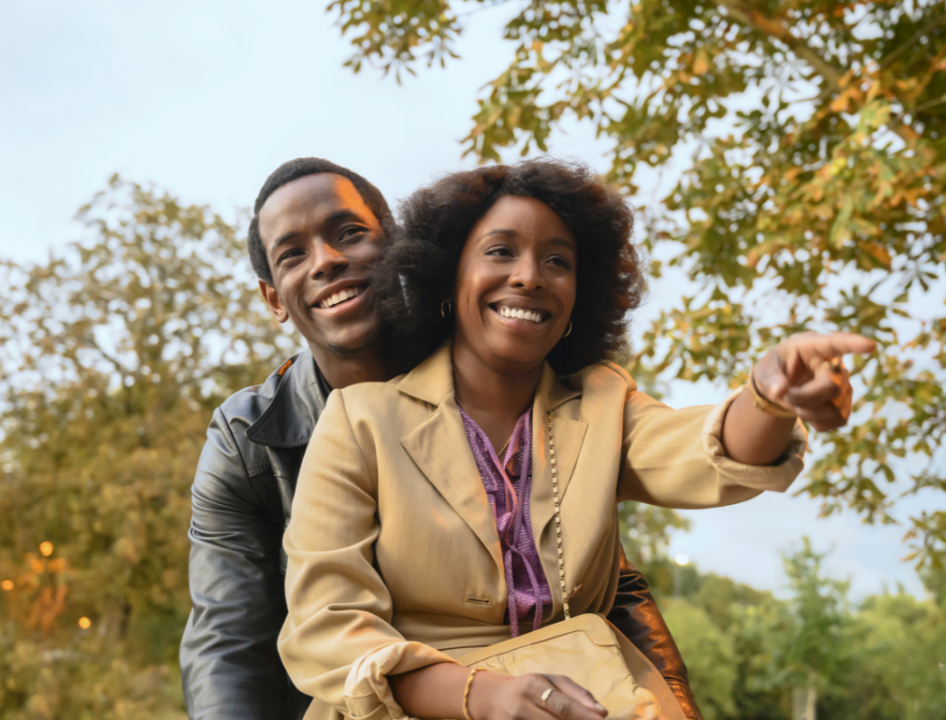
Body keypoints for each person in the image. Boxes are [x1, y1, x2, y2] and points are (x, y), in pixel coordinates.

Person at [277, 158, 876, 720]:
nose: (529, 276)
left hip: (593, 695)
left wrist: (769, 397)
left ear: (575, 305)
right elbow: (328, 627)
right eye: (500, 252)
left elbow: (701, 453)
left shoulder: (603, 401)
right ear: (446, 278)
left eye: (556, 262)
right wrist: (481, 697)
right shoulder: (360, 420)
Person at [179, 158, 704, 720]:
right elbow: (228, 638)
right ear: (273, 298)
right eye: (292, 254)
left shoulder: (504, 377)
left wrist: (673, 705)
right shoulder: (245, 443)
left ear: (402, 250)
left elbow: (603, 581)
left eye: (350, 234)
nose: (327, 261)